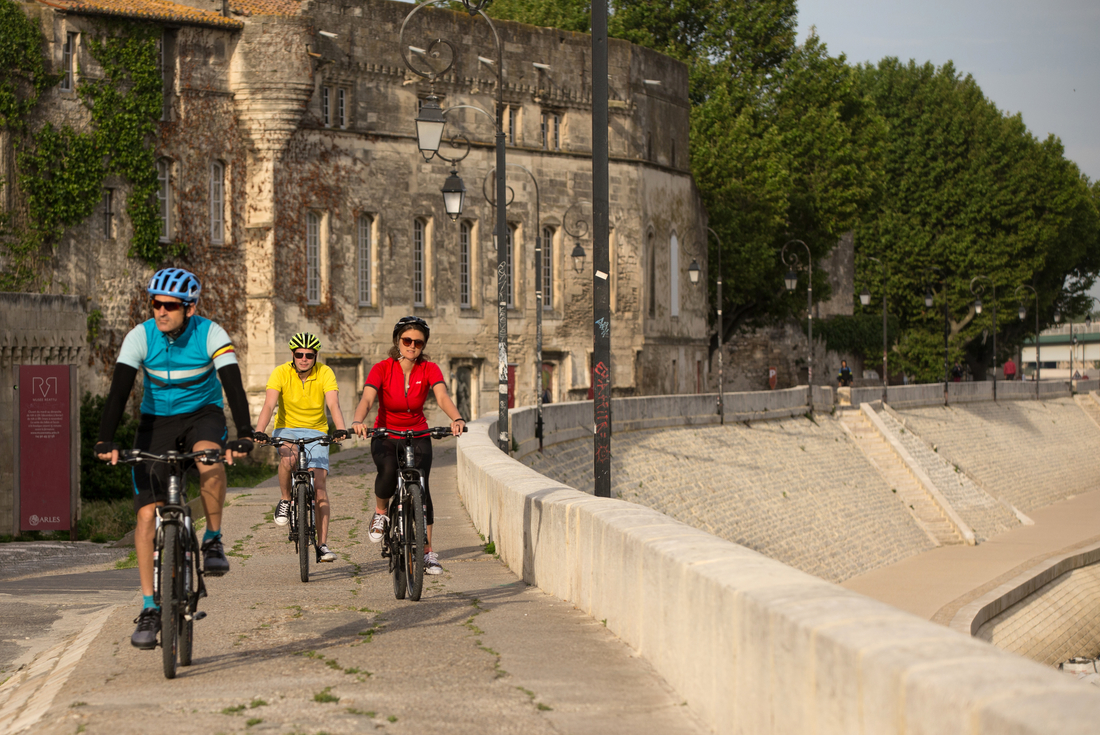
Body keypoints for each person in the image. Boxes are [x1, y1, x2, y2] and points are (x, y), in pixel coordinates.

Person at [95, 268, 254, 650]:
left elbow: (233, 385)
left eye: (169, 305)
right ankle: (150, 607)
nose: (160, 311)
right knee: (146, 515)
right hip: (156, 422)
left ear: (190, 307)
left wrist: (245, 434)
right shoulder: (141, 336)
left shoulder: (211, 333)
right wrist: (105, 440)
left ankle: (212, 539)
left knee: (209, 460)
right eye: (155, 303)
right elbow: (119, 391)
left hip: (203, 414)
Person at [351, 316, 466, 576]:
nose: (412, 346)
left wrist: (457, 418)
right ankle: (381, 512)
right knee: (388, 470)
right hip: (386, 433)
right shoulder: (381, 368)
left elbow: (442, 396)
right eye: (407, 340)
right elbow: (367, 399)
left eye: (418, 342)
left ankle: (427, 552)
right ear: (397, 341)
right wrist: (358, 420)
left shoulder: (429, 369)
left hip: (418, 433)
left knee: (422, 488)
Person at [253, 333, 348, 564]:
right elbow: (269, 404)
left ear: (315, 357)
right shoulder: (280, 372)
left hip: (317, 431)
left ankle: (322, 545)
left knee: (320, 488)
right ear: (293, 355)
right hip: (287, 429)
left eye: (309, 355)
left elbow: (333, 403)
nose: (304, 359)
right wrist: (260, 430)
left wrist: (340, 429)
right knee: (288, 459)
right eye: (299, 355)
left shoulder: (325, 372)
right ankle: (286, 499)